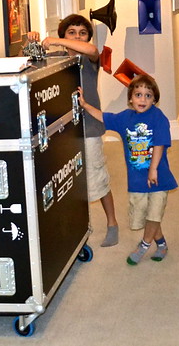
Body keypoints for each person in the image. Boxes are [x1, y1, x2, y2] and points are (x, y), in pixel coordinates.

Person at [27, 14, 119, 247]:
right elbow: (25, 64)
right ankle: (76, 228)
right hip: (63, 128)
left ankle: (112, 223)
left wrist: (59, 40)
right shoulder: (56, 57)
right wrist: (30, 43)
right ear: (63, 33)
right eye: (71, 32)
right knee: (67, 179)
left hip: (89, 126)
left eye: (82, 32)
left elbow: (91, 49)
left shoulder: (89, 58)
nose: (77, 36)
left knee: (97, 177)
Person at [78, 73, 177, 265]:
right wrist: (84, 105)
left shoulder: (158, 118)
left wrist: (154, 169)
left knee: (154, 213)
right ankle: (162, 244)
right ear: (130, 98)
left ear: (154, 99)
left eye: (148, 95)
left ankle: (144, 245)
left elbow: (160, 144)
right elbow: (103, 116)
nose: (143, 99)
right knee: (145, 216)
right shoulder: (125, 118)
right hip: (137, 180)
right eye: (138, 94)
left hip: (158, 177)